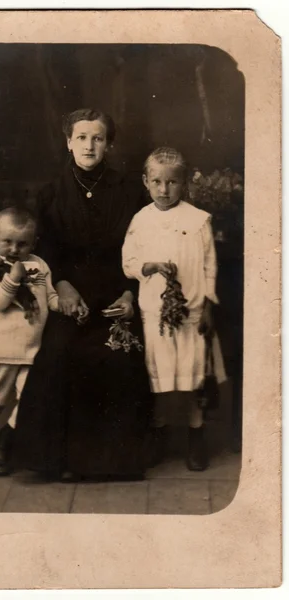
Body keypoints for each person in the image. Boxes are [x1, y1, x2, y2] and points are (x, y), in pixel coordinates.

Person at [13, 108, 152, 481]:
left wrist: (129, 294)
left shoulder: (129, 191)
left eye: (97, 138)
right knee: (59, 351)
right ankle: (58, 460)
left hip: (114, 297)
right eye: (81, 137)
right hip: (68, 298)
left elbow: (143, 248)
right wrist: (61, 284)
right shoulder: (50, 193)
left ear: (108, 143)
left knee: (116, 357)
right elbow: (46, 251)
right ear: (68, 142)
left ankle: (104, 463)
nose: (89, 145)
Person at [122, 147, 226, 471]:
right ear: (146, 181)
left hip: (192, 312)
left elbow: (210, 266)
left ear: (184, 184)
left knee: (194, 377)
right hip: (156, 314)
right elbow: (128, 262)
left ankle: (196, 434)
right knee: (160, 376)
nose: (164, 190)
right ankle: (160, 432)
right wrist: (148, 266)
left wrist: (208, 305)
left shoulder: (197, 221)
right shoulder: (140, 220)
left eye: (172, 183)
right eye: (157, 182)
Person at [0, 207, 58, 476]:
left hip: (32, 350)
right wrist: (14, 277)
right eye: (7, 242)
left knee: (30, 401)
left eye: (22, 243)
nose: (14, 249)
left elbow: (49, 297)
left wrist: (65, 305)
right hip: (1, 350)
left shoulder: (39, 264)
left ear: (33, 243)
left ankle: (6, 437)